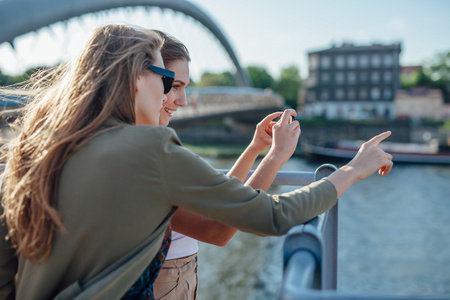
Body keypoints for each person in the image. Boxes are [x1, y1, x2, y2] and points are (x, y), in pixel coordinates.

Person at [0, 24, 393, 299]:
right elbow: (268, 217)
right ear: (137, 77)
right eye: (169, 82)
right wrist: (353, 170)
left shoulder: (36, 148)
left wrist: (258, 152)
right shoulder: (149, 148)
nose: (180, 99)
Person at [153, 31, 299, 300]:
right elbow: (218, 230)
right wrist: (277, 156)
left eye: (186, 87)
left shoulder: (145, 143)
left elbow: (220, 197)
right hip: (165, 283)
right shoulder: (153, 152)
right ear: (146, 81)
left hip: (173, 278)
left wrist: (255, 148)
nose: (184, 101)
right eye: (175, 86)